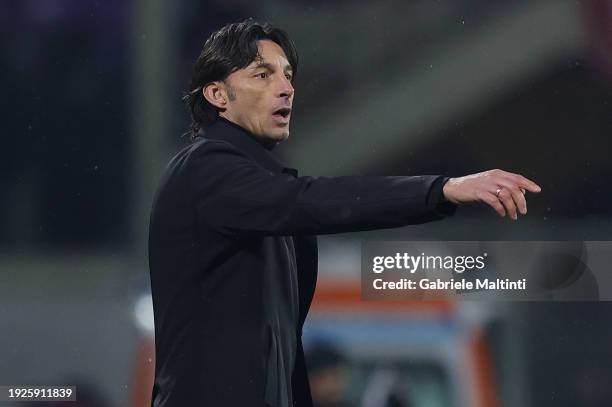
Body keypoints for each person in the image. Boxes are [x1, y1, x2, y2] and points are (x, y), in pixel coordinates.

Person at [147, 18, 541, 407]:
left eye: (288, 76)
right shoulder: (207, 169)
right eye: (262, 76)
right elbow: (312, 200)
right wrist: (443, 189)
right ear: (217, 94)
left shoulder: (253, 184)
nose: (285, 89)